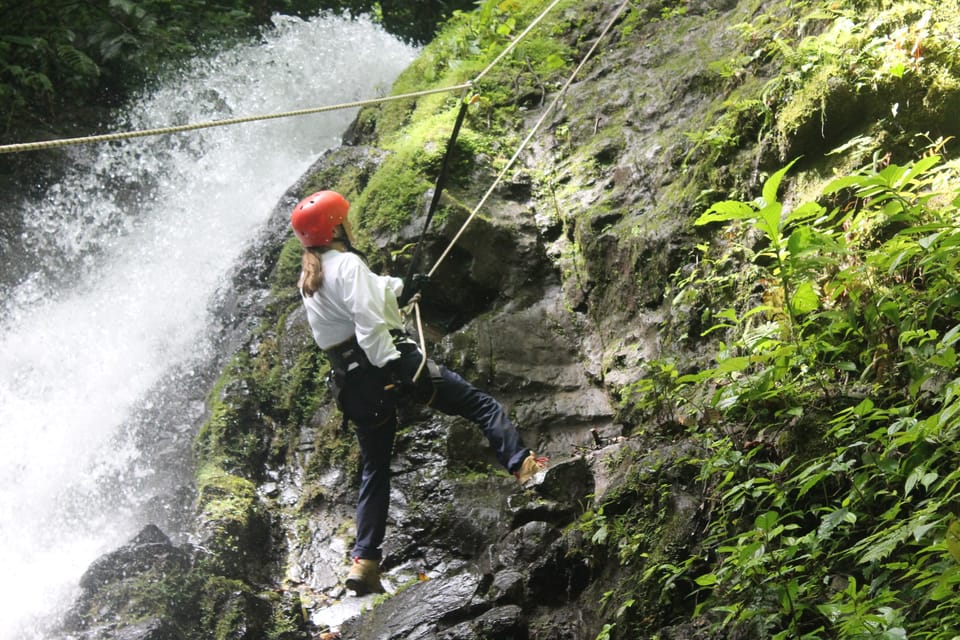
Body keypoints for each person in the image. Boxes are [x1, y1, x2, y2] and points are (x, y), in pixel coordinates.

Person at [291, 190, 548, 596]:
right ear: (336, 227)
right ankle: (525, 469)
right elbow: (368, 322)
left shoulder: (312, 276)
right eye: (346, 218)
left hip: (354, 386)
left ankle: (365, 562)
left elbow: (370, 292)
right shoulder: (349, 265)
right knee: (478, 404)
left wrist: (403, 286)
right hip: (387, 365)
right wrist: (395, 365)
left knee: (375, 470)